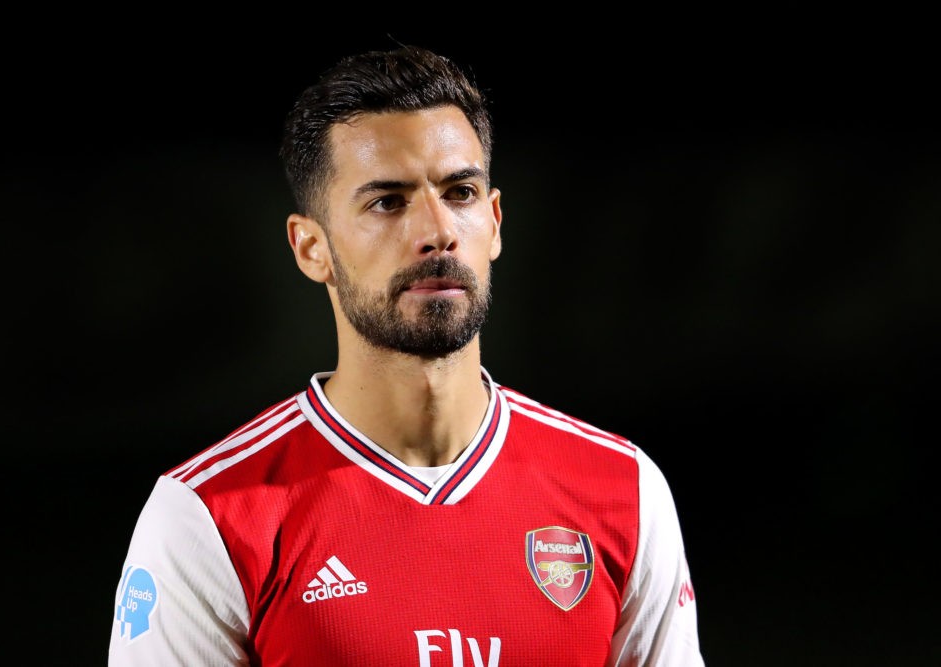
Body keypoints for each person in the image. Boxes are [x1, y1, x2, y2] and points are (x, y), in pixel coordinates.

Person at [108, 44, 705, 666]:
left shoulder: (621, 491)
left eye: (461, 193)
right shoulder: (209, 517)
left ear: (495, 222)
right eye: (387, 202)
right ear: (311, 248)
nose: (437, 230)